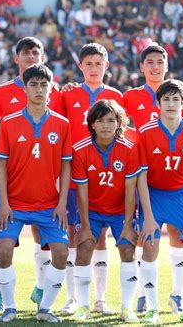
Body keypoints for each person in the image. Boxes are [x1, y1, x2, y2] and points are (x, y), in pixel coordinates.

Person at [0, 37, 63, 312]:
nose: (32, 57)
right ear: (16, 58)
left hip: (45, 180)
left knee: (45, 240)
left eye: (36, 52)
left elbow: (60, 128)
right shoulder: (0, 93)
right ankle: (0, 292)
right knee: (4, 243)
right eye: (26, 53)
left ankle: (41, 288)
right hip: (13, 181)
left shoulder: (55, 92)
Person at [123, 42, 183, 315]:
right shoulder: (130, 96)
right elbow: (115, 124)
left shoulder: (178, 93)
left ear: (166, 66)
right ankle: (144, 293)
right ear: (142, 67)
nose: (155, 67)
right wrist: (138, 140)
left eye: (160, 62)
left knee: (179, 234)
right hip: (146, 180)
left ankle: (177, 294)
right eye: (150, 62)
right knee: (147, 237)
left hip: (176, 181)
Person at [137, 79, 183, 324]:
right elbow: (141, 177)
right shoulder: (146, 132)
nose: (171, 104)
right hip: (153, 195)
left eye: (175, 99)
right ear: (158, 103)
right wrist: (147, 217)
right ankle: (151, 309)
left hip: (181, 194)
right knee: (149, 244)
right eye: (165, 99)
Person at [59, 43, 123, 316]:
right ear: (80, 66)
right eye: (89, 64)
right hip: (74, 177)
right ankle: (73, 298)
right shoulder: (68, 94)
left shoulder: (116, 95)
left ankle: (100, 299)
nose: (94, 68)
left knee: (101, 238)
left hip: (106, 178)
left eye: (99, 64)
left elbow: (123, 135)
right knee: (75, 236)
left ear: (106, 66)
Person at [71, 99, 140, 322]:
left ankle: (127, 308)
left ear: (119, 123)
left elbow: (131, 191)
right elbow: (81, 193)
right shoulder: (80, 150)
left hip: (121, 211)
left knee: (128, 251)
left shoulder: (129, 149)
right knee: (83, 250)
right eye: (100, 121)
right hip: (91, 211)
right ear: (92, 124)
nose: (106, 126)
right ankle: (82, 307)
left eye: (111, 121)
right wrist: (85, 227)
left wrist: (128, 225)